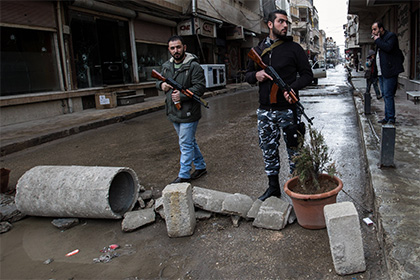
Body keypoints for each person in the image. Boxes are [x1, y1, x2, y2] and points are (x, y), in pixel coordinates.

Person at [245, 9, 313, 201]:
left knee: (295, 151)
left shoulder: (294, 49)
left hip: (288, 110)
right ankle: (273, 187)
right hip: (265, 111)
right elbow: (248, 75)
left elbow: (307, 75)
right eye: (281, 22)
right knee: (268, 150)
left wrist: (292, 88)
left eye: (287, 23)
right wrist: (256, 75)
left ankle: (298, 190)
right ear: (270, 24)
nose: (285, 26)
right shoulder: (258, 50)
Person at [156, 35, 207, 183]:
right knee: (189, 142)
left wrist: (182, 96)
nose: (176, 50)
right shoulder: (166, 66)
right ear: (169, 49)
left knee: (185, 144)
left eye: (178, 47)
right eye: (172, 48)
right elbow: (157, 81)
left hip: (189, 111)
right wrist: (161, 85)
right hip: (173, 112)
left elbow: (200, 87)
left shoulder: (194, 66)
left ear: (184, 48)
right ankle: (200, 166)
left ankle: (184, 174)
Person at [371, 21, 404, 125]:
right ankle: (387, 117)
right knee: (385, 95)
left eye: (375, 29)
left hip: (389, 72)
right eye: (372, 30)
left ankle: (391, 118)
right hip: (381, 72)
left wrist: (377, 40)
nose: (373, 32)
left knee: (389, 95)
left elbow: (388, 48)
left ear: (381, 29)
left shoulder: (390, 36)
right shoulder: (379, 40)